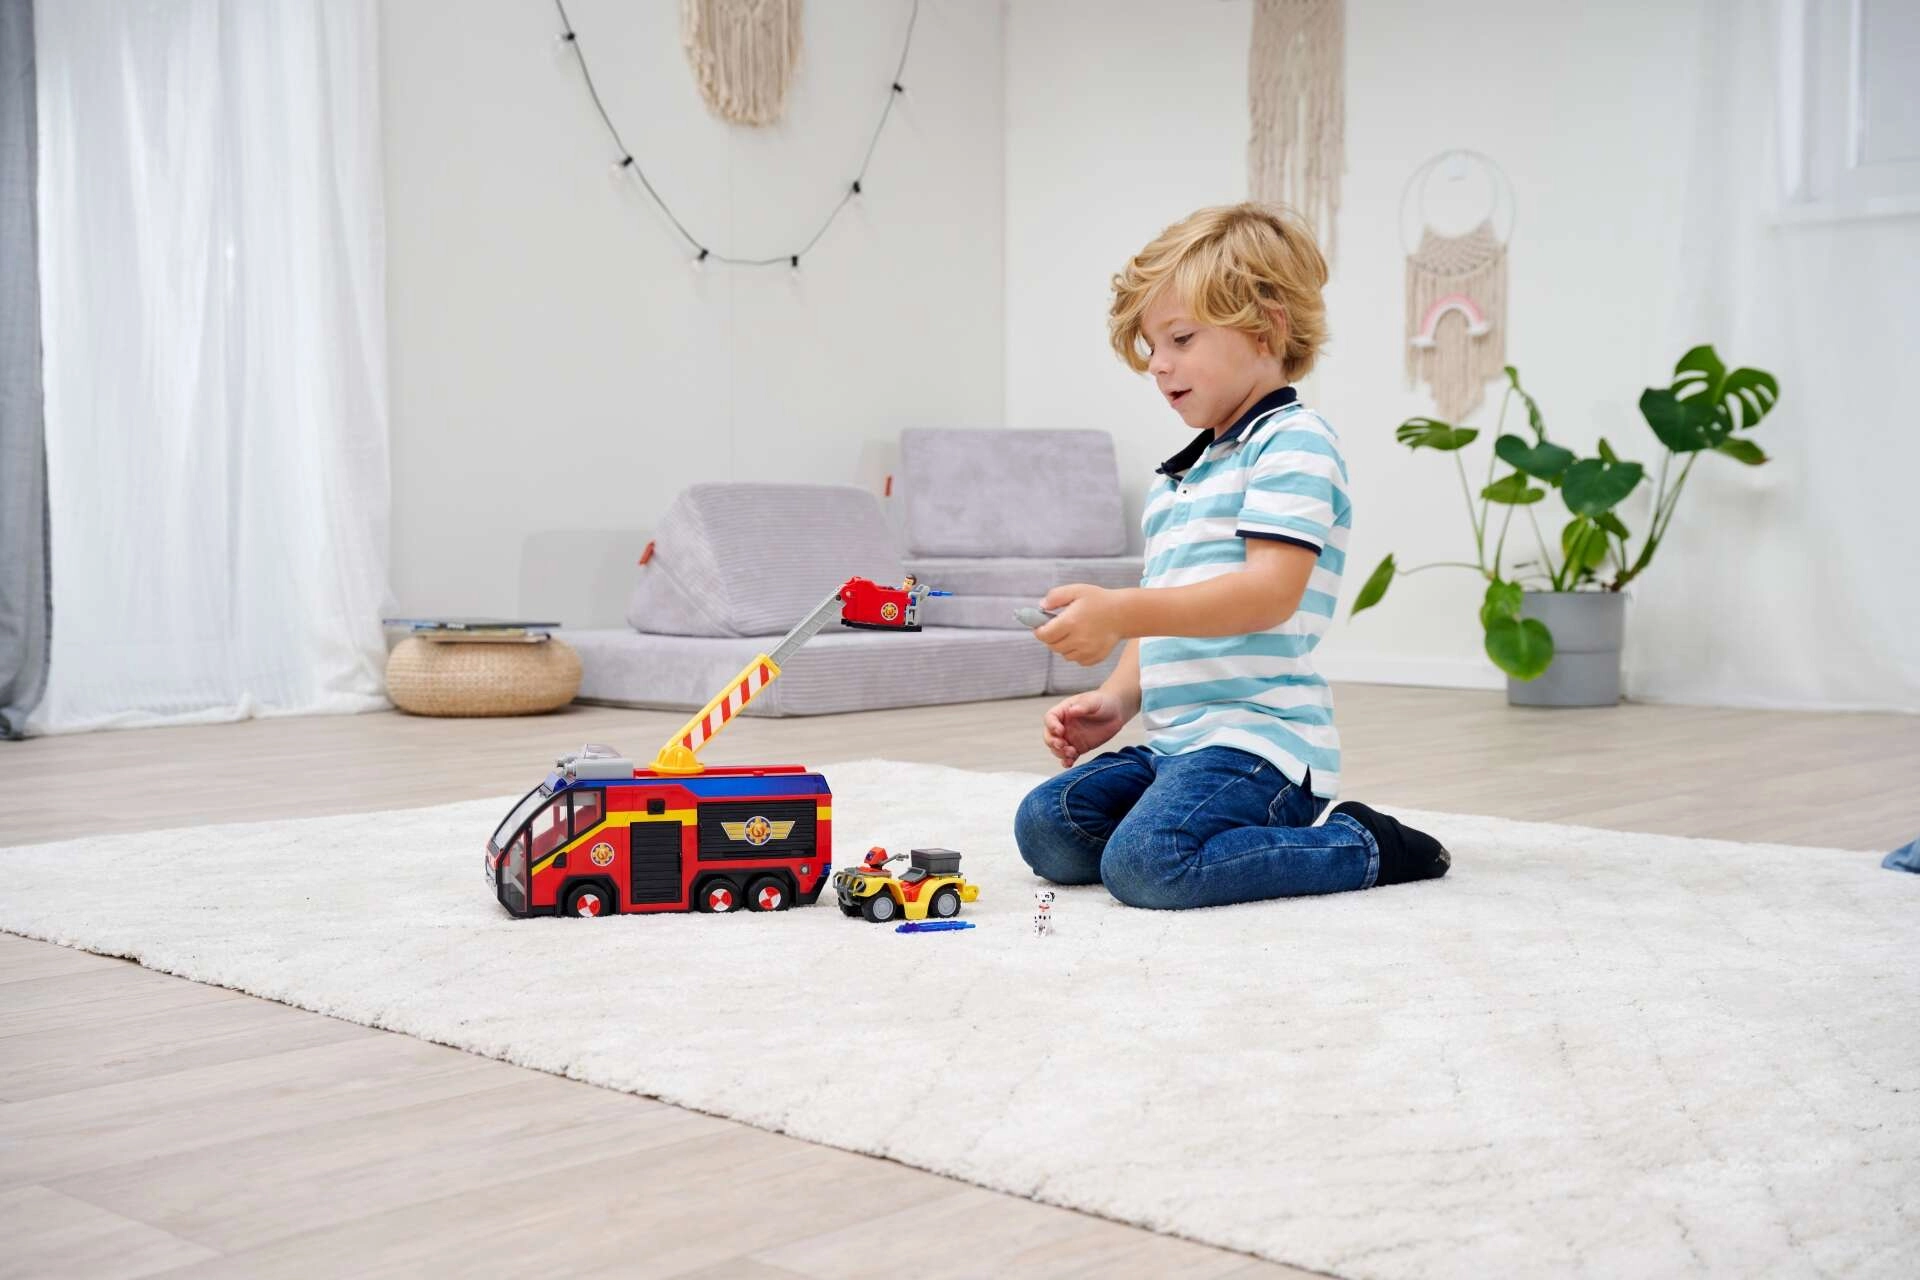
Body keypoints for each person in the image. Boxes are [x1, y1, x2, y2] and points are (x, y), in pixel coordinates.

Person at [1013, 203, 1449, 910]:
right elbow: (1163, 610)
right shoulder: (1178, 477)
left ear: (1266, 327)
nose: (1158, 364)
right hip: (1174, 745)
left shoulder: (1293, 443)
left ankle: (1363, 844)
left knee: (1148, 865)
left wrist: (1119, 610)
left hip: (1260, 745)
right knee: (1046, 825)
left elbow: (1269, 593)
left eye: (1181, 338)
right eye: (1151, 346)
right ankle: (1199, 835)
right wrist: (1117, 699)